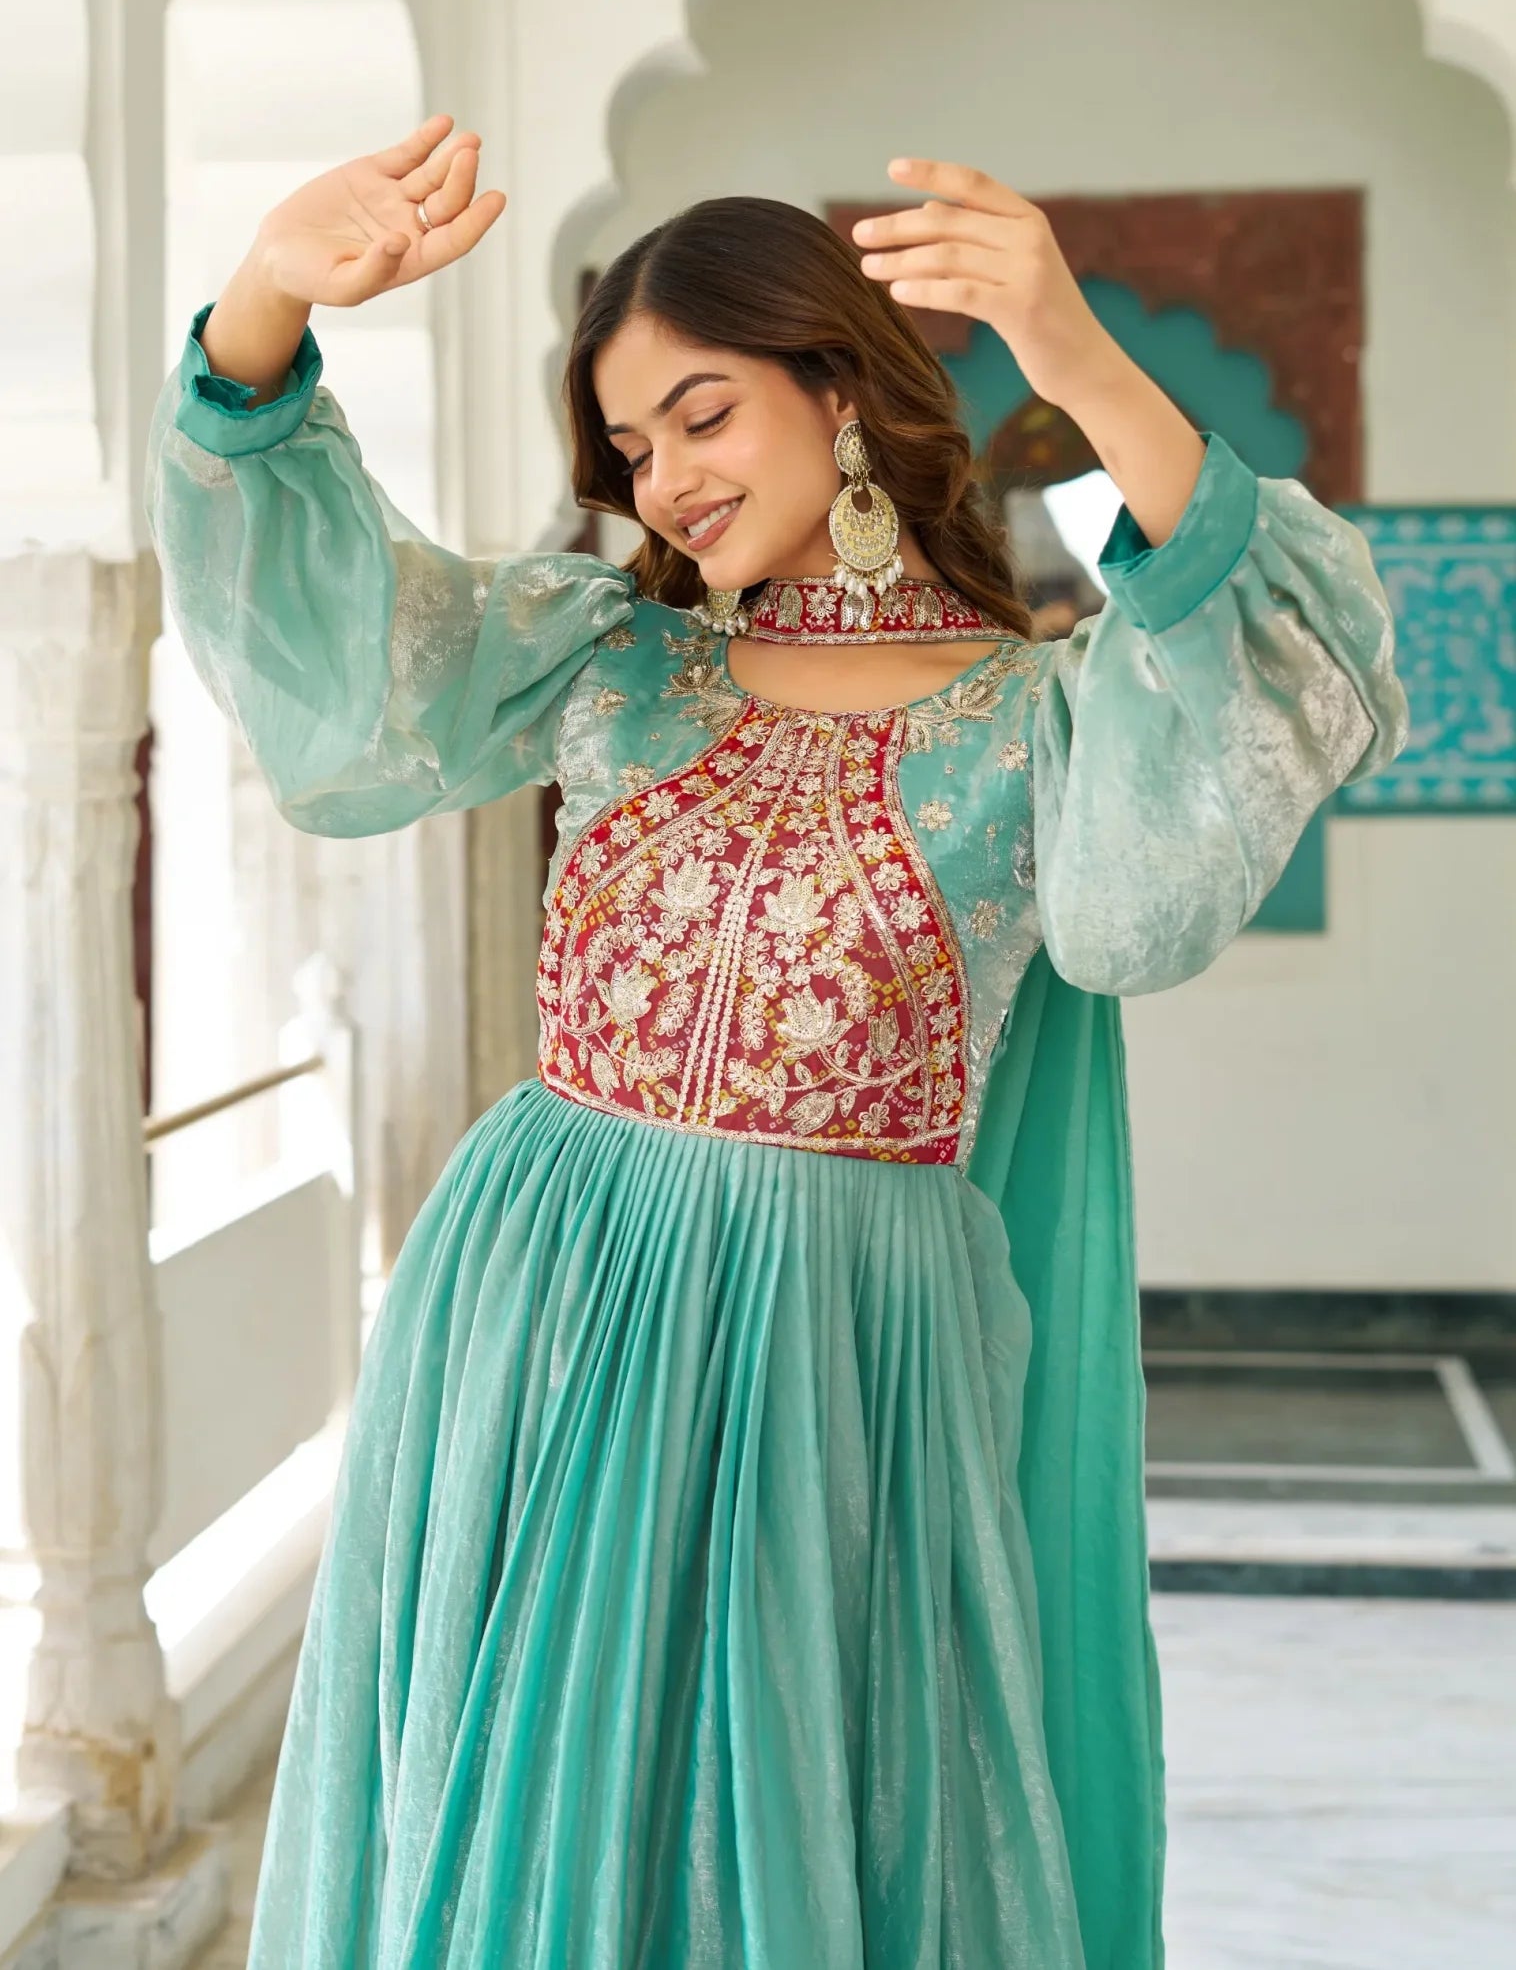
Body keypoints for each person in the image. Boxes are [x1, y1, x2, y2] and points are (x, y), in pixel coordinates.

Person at [144, 113, 1409, 1969]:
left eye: (702, 412)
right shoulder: (604, 659)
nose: (659, 478)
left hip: (841, 1354)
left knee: (794, 1841)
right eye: (631, 444)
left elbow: (1281, 662)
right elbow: (341, 674)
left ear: (840, 395)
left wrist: (1067, 341)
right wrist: (263, 299)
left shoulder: (1044, 722)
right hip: (537, 1313)